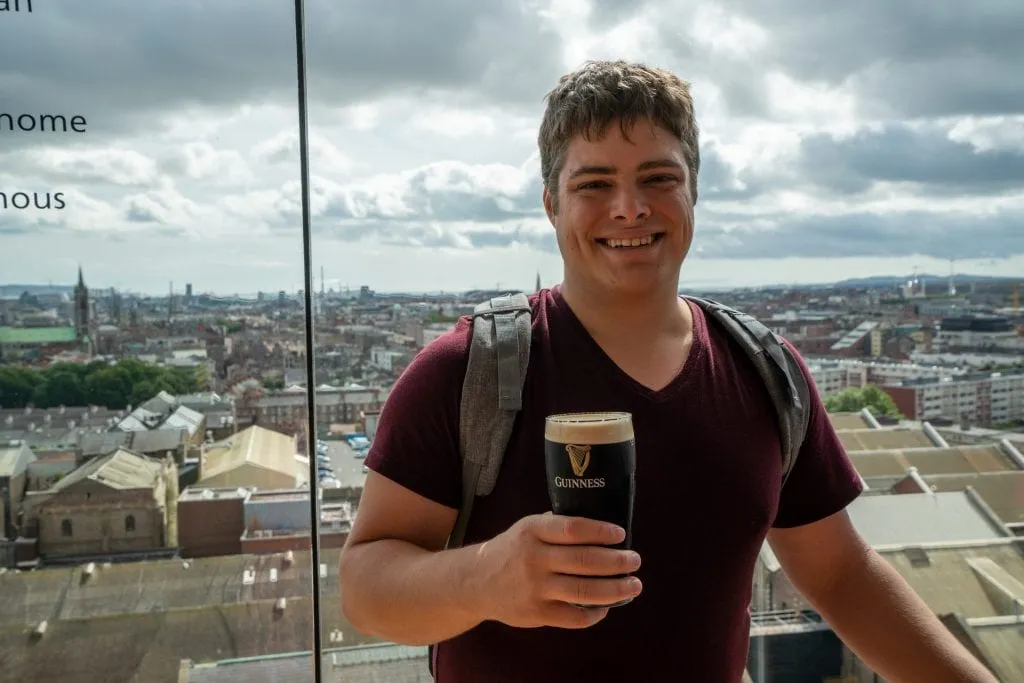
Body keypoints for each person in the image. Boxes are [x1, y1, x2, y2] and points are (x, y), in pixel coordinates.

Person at [339, 60, 998, 682]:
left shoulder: (764, 372)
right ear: (551, 205)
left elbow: (841, 575)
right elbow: (365, 587)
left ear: (693, 191)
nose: (630, 207)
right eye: (594, 183)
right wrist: (484, 577)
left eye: (658, 177)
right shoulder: (465, 372)